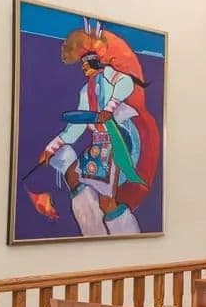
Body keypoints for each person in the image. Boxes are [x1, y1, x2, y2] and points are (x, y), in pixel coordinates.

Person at [39, 18, 160, 236]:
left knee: (107, 202)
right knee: (74, 177)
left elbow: (126, 83)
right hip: (99, 145)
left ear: (94, 61)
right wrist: (52, 148)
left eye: (85, 63)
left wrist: (110, 108)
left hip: (118, 140)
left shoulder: (110, 76)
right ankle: (93, 234)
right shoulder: (85, 92)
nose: (83, 67)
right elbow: (76, 127)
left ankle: (127, 241)